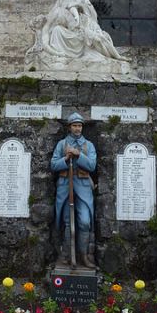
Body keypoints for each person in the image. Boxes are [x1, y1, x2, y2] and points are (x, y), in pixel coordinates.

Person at [26, 0, 129, 63]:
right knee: (57, 30)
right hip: (69, 30)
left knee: (99, 38)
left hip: (82, 26)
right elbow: (51, 15)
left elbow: (92, 14)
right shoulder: (61, 1)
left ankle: (116, 56)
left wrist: (80, 5)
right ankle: (62, 55)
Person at [51, 112, 96, 269]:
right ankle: (66, 255)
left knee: (84, 221)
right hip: (65, 186)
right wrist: (66, 159)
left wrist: (78, 155)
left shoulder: (88, 145)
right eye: (75, 125)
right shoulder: (62, 144)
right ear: (69, 127)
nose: (77, 128)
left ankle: (83, 256)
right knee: (66, 221)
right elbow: (54, 165)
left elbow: (92, 165)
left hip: (83, 187)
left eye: (80, 125)